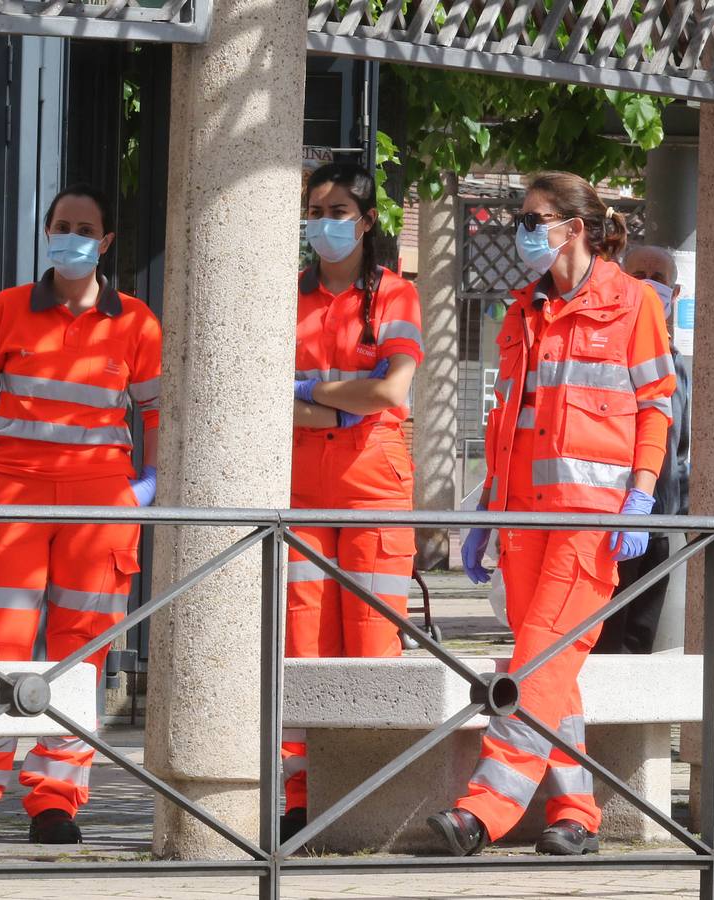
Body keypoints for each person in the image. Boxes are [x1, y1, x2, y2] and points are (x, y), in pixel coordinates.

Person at [431, 172, 676, 857]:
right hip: (520, 522)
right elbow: (508, 419)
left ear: (574, 227)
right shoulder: (520, 310)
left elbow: (656, 404)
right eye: (521, 217)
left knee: (534, 661)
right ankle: (576, 815)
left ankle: (482, 810)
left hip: (586, 523)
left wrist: (641, 493)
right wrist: (485, 509)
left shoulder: (631, 304)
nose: (522, 229)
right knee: (553, 674)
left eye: (534, 218)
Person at [0, 183, 161, 844]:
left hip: (100, 502)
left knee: (82, 655)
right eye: (59, 225)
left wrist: (148, 481)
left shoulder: (136, 322)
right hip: (12, 493)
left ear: (104, 242)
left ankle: (55, 799)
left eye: (82, 228)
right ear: (47, 233)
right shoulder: (7, 309)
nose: (67, 237)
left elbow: (156, 411)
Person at [283, 163, 423, 841]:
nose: (324, 222)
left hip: (374, 490)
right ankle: (300, 797)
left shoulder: (394, 295)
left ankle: (370, 794)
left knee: (371, 640)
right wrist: (345, 402)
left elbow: (392, 392)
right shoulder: (290, 298)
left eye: (338, 210)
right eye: (315, 209)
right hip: (301, 492)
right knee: (301, 644)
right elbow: (268, 401)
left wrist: (309, 395)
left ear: (367, 221)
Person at [593, 245, 691, 654]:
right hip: (617, 517)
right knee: (606, 641)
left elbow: (682, 448)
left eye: (660, 277)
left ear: (676, 291)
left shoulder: (680, 365)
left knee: (639, 642)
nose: (651, 283)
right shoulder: (612, 354)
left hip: (659, 523)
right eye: (640, 273)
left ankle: (632, 722)